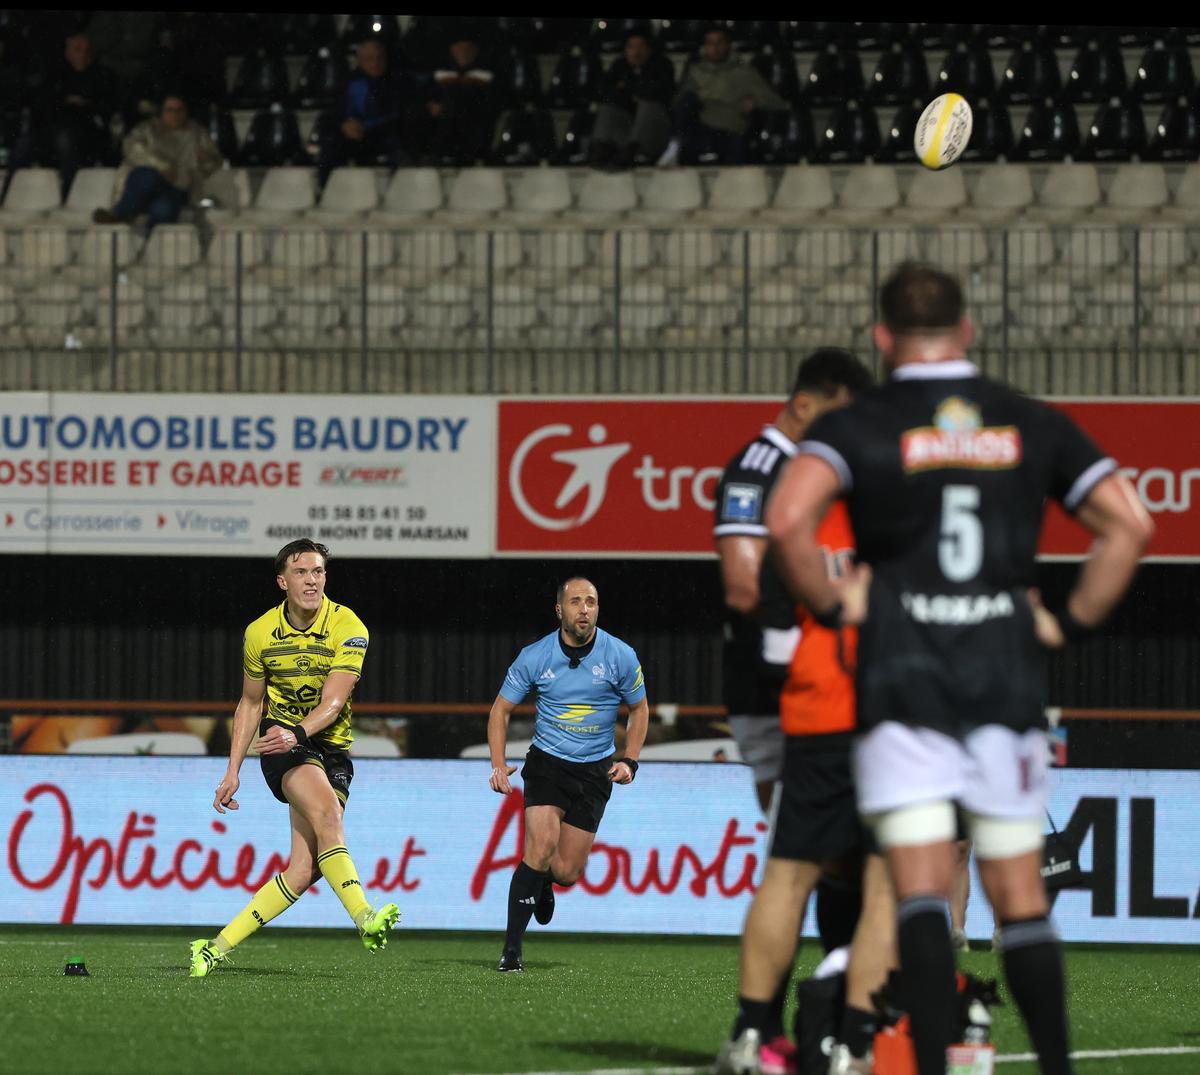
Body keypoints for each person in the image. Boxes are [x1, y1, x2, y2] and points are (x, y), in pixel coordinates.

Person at [767, 262, 1154, 1075]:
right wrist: (1067, 622)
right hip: (1002, 683)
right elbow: (1130, 524)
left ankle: (931, 1067)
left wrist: (835, 605)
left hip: (903, 684)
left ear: (882, 336)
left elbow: (787, 517)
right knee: (1020, 898)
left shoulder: (861, 424)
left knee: (918, 891)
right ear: (968, 330)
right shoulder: (1028, 420)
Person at [713, 350, 893, 1075]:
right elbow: (744, 588)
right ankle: (821, 1030)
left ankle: (792, 1022)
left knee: (810, 863)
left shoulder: (818, 483)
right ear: (814, 402)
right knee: (832, 867)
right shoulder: (771, 467)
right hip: (806, 696)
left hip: (811, 691)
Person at [189, 539, 400, 977]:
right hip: (281, 743)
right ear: (282, 582)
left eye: (318, 571)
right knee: (328, 814)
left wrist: (298, 732)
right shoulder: (260, 632)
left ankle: (213, 948)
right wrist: (232, 770)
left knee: (303, 871)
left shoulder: (348, 625)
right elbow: (250, 703)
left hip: (329, 746)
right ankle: (365, 917)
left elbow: (334, 702)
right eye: (301, 572)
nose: (312, 580)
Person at [487, 576, 649, 973]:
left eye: (591, 601)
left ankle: (544, 880)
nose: (584, 609)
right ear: (559, 609)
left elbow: (640, 709)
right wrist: (497, 763)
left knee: (566, 872)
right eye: (576, 601)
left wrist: (630, 760)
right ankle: (511, 951)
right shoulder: (535, 656)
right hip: (547, 765)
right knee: (540, 847)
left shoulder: (620, 655)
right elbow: (500, 710)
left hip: (595, 771)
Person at [659, 24, 789, 166]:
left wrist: (756, 101)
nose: (715, 48)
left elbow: (778, 103)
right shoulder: (696, 71)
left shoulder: (745, 72)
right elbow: (677, 104)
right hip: (701, 127)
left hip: (730, 129)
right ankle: (674, 147)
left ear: (728, 45)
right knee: (687, 100)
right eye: (710, 43)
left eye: (719, 42)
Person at [93, 93, 221, 229]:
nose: (175, 115)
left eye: (179, 110)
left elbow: (214, 162)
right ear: (162, 113)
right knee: (146, 176)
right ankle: (120, 214)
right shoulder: (147, 129)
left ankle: (136, 231)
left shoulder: (197, 132)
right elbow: (131, 148)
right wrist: (162, 167)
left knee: (163, 210)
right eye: (170, 110)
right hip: (144, 186)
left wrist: (205, 160)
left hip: (177, 188)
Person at [12, 32, 119, 195]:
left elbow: (108, 107)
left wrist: (84, 105)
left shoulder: (102, 76)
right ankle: (6, 193)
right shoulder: (55, 75)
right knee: (24, 143)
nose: (83, 54)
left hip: (86, 134)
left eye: (87, 50)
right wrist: (65, 102)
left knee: (66, 140)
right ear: (67, 52)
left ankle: (67, 194)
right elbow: (42, 103)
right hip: (52, 131)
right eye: (78, 50)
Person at [317, 39, 407, 187]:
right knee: (330, 141)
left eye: (379, 58)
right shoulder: (347, 82)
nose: (375, 63)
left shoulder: (396, 82)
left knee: (398, 142)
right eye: (369, 59)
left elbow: (398, 115)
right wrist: (344, 125)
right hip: (352, 136)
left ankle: (399, 189)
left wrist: (365, 126)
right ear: (360, 61)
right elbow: (332, 113)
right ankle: (326, 189)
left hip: (381, 135)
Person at [589, 29, 675, 169]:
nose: (636, 52)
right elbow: (604, 92)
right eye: (631, 47)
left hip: (655, 132)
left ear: (649, 49)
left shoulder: (662, 65)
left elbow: (655, 93)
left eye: (641, 46)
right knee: (607, 109)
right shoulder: (619, 65)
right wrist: (635, 91)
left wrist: (626, 87)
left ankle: (633, 152)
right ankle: (601, 149)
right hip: (627, 129)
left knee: (648, 106)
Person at [422, 33, 502, 165]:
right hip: (444, 123)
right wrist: (432, 105)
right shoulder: (440, 75)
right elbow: (427, 98)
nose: (464, 53)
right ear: (451, 50)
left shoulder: (486, 77)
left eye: (468, 49)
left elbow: (493, 103)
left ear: (476, 51)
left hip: (474, 124)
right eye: (459, 48)